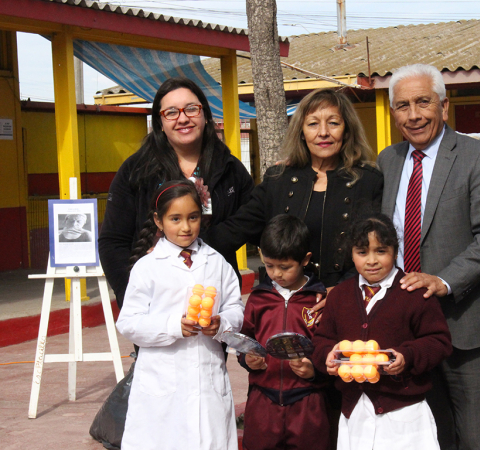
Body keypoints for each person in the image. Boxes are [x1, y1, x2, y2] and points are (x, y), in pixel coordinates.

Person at [377, 63, 480, 450]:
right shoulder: (387, 161)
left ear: (444, 106)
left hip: (468, 324)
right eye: (403, 106)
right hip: (410, 329)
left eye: (423, 102)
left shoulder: (479, 157)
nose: (414, 115)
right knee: (429, 436)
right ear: (393, 113)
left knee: (475, 439)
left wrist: (442, 281)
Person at [99, 77, 254, 309]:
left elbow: (253, 218)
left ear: (205, 115)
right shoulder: (136, 171)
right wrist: (133, 298)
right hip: (156, 303)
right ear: (160, 123)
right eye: (171, 112)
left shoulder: (229, 168)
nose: (183, 118)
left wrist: (209, 243)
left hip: (213, 301)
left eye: (191, 109)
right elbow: (112, 242)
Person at [207, 88, 384, 290]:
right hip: (287, 300)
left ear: (347, 130)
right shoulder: (279, 179)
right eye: (313, 124)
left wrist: (339, 293)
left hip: (345, 297)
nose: (323, 132)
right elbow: (235, 230)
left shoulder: (368, 182)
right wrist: (183, 246)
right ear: (301, 131)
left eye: (333, 123)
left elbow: (377, 250)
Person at [116, 180, 244, 450]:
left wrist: (222, 324)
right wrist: (173, 326)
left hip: (207, 379)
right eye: (176, 218)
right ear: (158, 221)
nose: (186, 227)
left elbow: (235, 307)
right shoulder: (147, 267)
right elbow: (128, 322)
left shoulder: (216, 262)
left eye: (193, 217)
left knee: (210, 439)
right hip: (161, 383)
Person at [312, 213, 452, 450]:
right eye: (362, 252)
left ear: (396, 252)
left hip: (404, 412)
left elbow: (439, 341)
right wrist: (327, 354)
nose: (372, 260)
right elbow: (321, 340)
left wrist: (407, 356)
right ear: (352, 254)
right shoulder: (339, 295)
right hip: (354, 410)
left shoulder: (414, 292)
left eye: (381, 251)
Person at [238, 214, 329, 450]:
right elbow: (245, 340)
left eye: (285, 267)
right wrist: (247, 360)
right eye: (269, 266)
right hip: (262, 400)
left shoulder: (320, 301)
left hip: (308, 399)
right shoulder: (258, 299)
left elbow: (330, 347)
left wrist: (314, 371)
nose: (276, 273)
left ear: (305, 259)